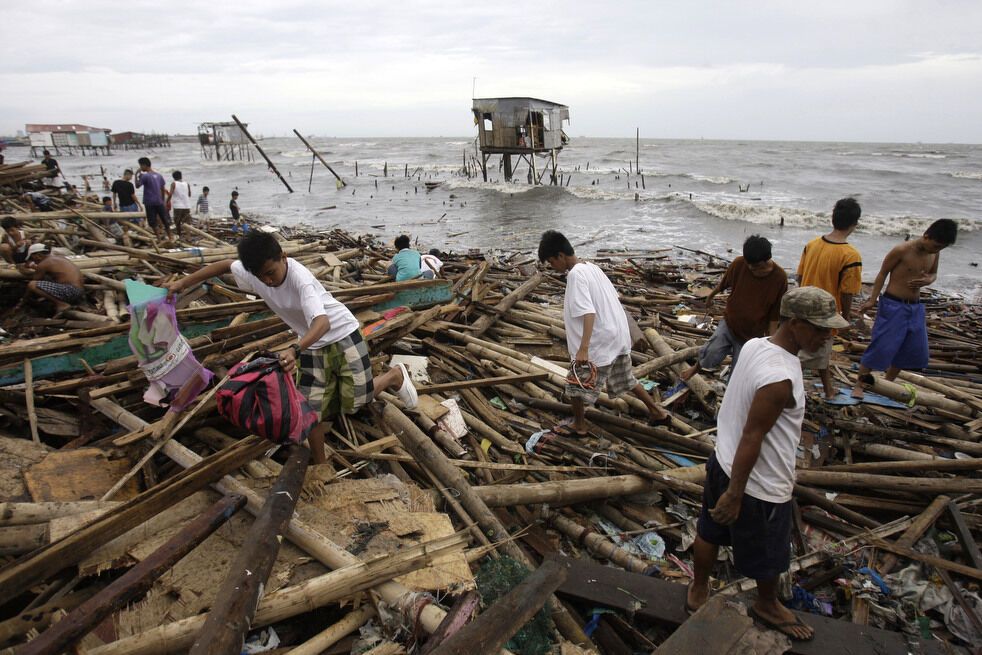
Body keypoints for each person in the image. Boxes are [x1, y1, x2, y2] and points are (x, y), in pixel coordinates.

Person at [164, 231, 419, 464]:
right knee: (310, 409)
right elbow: (223, 265)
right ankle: (320, 463)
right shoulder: (256, 271)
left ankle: (394, 376)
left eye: (271, 273)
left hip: (343, 334)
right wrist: (183, 284)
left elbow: (322, 322)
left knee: (356, 401)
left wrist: (295, 349)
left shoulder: (301, 281)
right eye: (260, 276)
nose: (267, 281)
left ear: (283, 257)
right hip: (310, 345)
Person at [687, 286, 848, 642]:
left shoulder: (758, 345)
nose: (827, 337)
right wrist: (735, 493)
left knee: (709, 531)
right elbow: (753, 435)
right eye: (820, 329)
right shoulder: (780, 378)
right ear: (793, 323)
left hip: (723, 460)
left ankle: (698, 588)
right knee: (771, 555)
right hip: (756, 484)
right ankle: (767, 603)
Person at [538, 230, 673, 435]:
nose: (552, 267)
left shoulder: (575, 275)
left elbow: (588, 312)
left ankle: (579, 426)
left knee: (574, 385)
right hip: (616, 337)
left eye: (551, 262)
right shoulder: (592, 267)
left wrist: (583, 350)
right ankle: (657, 412)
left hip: (599, 342)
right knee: (626, 379)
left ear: (560, 255)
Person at [851, 219, 958, 399]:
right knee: (880, 346)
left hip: (914, 306)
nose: (937, 250)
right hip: (893, 304)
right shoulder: (902, 250)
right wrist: (872, 299)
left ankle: (888, 384)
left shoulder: (935, 253)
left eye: (942, 248)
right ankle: (859, 385)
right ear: (926, 236)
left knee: (909, 348)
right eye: (936, 245)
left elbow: (933, 274)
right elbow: (882, 273)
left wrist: (928, 280)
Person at [682, 236, 787, 381]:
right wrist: (710, 296)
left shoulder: (779, 278)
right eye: (748, 264)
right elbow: (724, 283)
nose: (750, 268)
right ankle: (695, 369)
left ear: (765, 260)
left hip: (751, 335)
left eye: (755, 267)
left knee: (739, 372)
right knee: (712, 350)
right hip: (730, 322)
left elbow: (774, 314)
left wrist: (771, 341)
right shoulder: (740, 263)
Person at [796, 197, 862, 399]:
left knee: (816, 351)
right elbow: (847, 292)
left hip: (803, 307)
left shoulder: (812, 245)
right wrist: (846, 317)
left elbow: (799, 276)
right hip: (825, 313)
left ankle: (828, 389)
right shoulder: (850, 256)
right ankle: (786, 386)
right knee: (807, 355)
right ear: (854, 224)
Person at [16, 244, 85, 315]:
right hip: (78, 291)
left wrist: (22, 301)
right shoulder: (57, 258)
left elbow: (33, 283)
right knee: (46, 278)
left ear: (38, 255)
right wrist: (33, 266)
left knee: (32, 285)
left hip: (70, 290)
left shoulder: (43, 264)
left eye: (32, 258)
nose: (34, 260)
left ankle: (61, 304)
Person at [135, 157, 172, 239]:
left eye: (141, 166)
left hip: (149, 202)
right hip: (159, 201)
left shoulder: (145, 176)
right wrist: (162, 201)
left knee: (152, 221)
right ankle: (170, 236)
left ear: (144, 165)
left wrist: (136, 175)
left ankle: (158, 237)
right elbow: (162, 189)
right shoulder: (158, 175)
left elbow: (137, 186)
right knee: (165, 220)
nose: (140, 168)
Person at [168, 171, 192, 238]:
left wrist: (166, 202)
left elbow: (170, 194)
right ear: (181, 176)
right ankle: (188, 236)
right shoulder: (187, 184)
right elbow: (189, 194)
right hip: (187, 205)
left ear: (174, 177)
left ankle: (179, 235)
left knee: (177, 222)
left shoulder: (174, 184)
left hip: (178, 206)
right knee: (187, 222)